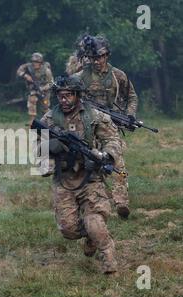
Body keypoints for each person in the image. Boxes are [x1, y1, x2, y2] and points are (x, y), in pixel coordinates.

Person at [40, 75, 122, 274]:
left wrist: (104, 155)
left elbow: (113, 139)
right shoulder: (49, 119)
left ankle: (109, 261)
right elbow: (39, 148)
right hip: (64, 179)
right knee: (68, 230)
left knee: (94, 219)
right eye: (60, 95)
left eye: (68, 95)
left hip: (90, 178)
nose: (64, 100)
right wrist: (52, 153)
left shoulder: (94, 116)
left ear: (77, 95)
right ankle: (91, 237)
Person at [74, 35, 138, 219]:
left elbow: (132, 97)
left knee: (117, 162)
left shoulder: (118, 75)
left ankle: (121, 201)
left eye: (101, 56)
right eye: (94, 57)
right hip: (86, 127)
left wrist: (130, 114)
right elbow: (68, 100)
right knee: (88, 166)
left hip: (109, 126)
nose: (98, 61)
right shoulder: (79, 77)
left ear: (107, 55)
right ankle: (88, 204)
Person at [16, 52, 54, 126]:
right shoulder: (28, 67)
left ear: (41, 62)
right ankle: (32, 121)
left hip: (44, 91)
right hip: (33, 88)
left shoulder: (46, 70)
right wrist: (25, 75)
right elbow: (19, 71)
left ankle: (48, 122)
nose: (35, 64)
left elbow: (51, 83)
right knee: (32, 101)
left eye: (37, 62)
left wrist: (43, 88)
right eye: (33, 62)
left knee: (45, 106)